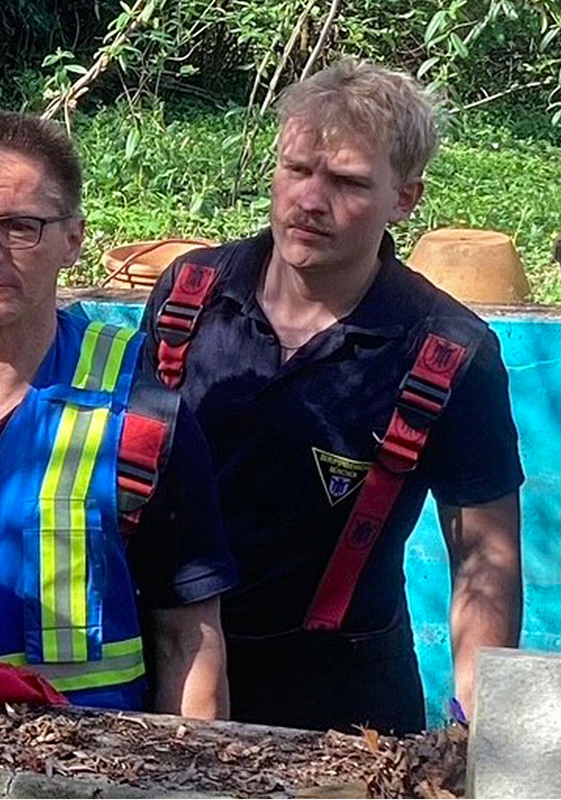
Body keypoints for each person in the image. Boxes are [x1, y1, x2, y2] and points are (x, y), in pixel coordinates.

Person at [142, 59, 523, 734]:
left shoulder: (450, 351)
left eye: (346, 182)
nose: (309, 201)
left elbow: (484, 562)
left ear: (405, 198)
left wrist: (477, 728)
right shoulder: (188, 295)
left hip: (346, 702)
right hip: (167, 666)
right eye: (296, 169)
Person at [0, 111, 238, 717]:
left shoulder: (141, 414)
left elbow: (188, 639)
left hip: (74, 772)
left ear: (74, 240)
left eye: (20, 227)